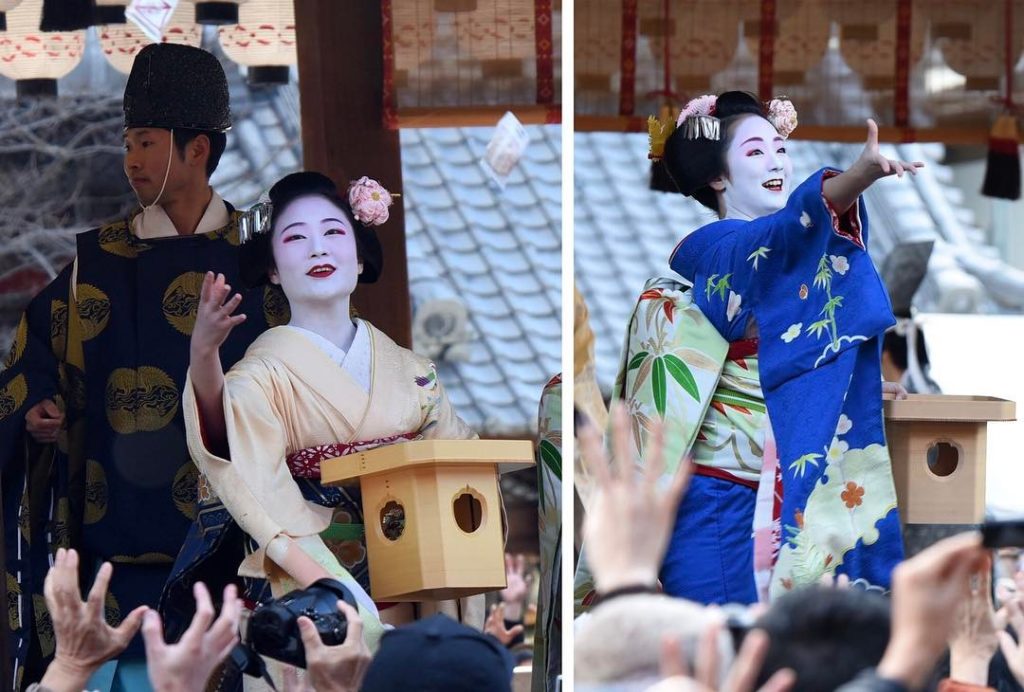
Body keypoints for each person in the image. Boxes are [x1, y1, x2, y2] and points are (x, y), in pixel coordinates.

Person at [0, 43, 278, 691]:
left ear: (198, 149)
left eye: (148, 143)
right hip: (110, 557)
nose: (131, 160)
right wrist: (39, 408)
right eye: (128, 143)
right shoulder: (93, 266)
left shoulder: (258, 262)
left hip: (237, 552)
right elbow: (31, 361)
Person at [576, 91, 916, 609]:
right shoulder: (714, 250)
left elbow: (807, 345)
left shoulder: (788, 253)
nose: (777, 161)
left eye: (780, 149)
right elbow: (776, 245)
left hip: (795, 494)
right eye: (756, 152)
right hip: (720, 500)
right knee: (724, 656)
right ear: (718, 177)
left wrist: (849, 386)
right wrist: (854, 180)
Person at [177, 171, 481, 664]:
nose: (318, 249)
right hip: (309, 596)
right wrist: (204, 356)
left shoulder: (412, 371)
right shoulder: (262, 375)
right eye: (295, 238)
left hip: (412, 598)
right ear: (273, 268)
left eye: (334, 233)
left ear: (359, 257)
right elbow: (235, 459)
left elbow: (461, 467)